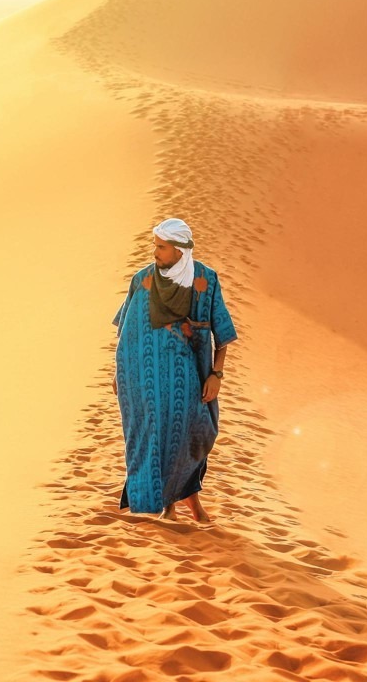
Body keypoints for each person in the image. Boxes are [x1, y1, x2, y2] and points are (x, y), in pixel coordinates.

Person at [111, 217, 237, 521]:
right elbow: (126, 331)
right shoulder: (143, 280)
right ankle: (173, 508)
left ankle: (189, 506)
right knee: (153, 437)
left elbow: (222, 334)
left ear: (180, 250)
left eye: (161, 247)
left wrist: (216, 375)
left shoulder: (204, 282)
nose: (155, 252)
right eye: (155, 245)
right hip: (144, 377)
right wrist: (119, 373)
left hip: (188, 378)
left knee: (191, 436)